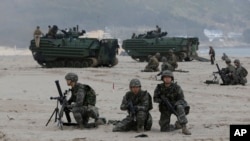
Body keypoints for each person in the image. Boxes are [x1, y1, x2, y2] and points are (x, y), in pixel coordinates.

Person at [153, 70, 191, 135]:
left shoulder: (176, 87)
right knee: (164, 129)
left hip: (175, 106)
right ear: (163, 78)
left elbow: (181, 99)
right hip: (165, 108)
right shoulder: (159, 87)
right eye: (165, 77)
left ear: (171, 78)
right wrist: (162, 101)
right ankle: (174, 126)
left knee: (180, 107)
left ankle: (184, 126)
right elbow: (155, 99)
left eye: (169, 77)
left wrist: (175, 104)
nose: (167, 79)